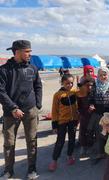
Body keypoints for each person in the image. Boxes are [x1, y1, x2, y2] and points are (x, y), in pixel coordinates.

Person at [0, 40, 42, 179]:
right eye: (27, 51)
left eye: (30, 51)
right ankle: (8, 171)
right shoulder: (4, 70)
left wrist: (37, 105)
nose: (30, 54)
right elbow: (1, 91)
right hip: (10, 112)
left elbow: (38, 86)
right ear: (17, 52)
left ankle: (32, 170)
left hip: (30, 110)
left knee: (32, 141)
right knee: (9, 143)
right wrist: (13, 108)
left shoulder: (33, 68)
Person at [48, 74, 78, 171]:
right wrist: (54, 125)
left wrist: (80, 84)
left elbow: (82, 93)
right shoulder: (57, 95)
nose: (69, 85)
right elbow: (54, 110)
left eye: (71, 83)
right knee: (60, 141)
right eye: (67, 83)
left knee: (72, 139)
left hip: (73, 121)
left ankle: (69, 155)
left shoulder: (74, 91)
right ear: (62, 83)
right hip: (62, 122)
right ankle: (54, 160)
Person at [89, 67, 109, 163]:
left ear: (108, 75)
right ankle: (101, 152)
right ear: (98, 75)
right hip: (98, 114)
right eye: (101, 75)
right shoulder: (95, 85)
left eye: (105, 74)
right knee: (100, 134)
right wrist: (91, 105)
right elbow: (91, 98)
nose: (103, 76)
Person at [77, 79, 94, 157]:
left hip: (93, 116)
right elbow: (78, 107)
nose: (89, 87)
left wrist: (93, 107)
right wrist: (83, 112)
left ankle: (90, 145)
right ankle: (83, 146)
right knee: (83, 131)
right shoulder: (80, 94)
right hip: (84, 115)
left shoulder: (94, 93)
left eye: (91, 85)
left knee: (91, 131)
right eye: (87, 85)